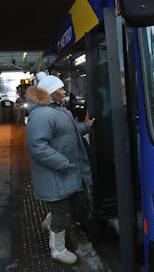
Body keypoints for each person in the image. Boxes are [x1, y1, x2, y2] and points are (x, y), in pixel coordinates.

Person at [25, 75, 93, 264]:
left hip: (66, 171)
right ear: (51, 92)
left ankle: (51, 220)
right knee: (61, 210)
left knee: (76, 200)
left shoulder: (58, 110)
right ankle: (58, 249)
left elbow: (68, 134)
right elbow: (37, 146)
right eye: (61, 89)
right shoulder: (41, 115)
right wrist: (62, 162)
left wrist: (86, 127)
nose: (64, 91)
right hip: (56, 173)